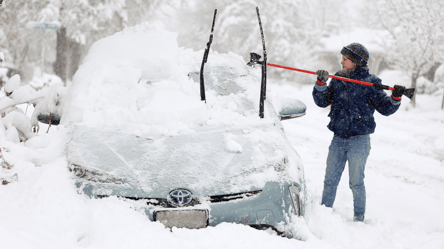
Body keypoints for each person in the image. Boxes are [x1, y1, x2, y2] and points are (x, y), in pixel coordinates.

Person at [312, 43, 406, 222]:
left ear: (356, 61)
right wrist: (321, 84)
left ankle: (359, 218)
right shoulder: (338, 78)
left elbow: (385, 108)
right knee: (330, 181)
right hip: (338, 139)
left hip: (359, 141)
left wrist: (395, 97)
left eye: (345, 59)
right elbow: (323, 101)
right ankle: (323, 216)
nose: (341, 62)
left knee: (356, 183)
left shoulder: (371, 83)